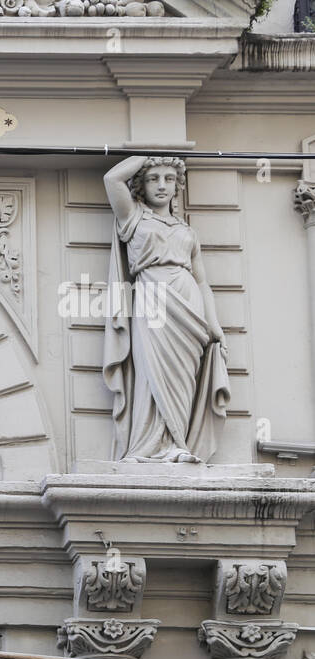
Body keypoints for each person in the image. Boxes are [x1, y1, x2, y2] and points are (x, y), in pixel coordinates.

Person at [102, 155, 230, 463]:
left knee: (183, 378)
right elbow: (112, 179)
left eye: (169, 179)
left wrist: (214, 325)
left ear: (178, 186)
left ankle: (177, 444)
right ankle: (148, 446)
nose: (162, 185)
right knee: (151, 372)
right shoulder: (132, 217)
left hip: (189, 305)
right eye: (153, 178)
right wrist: (151, 151)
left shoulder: (187, 231)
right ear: (141, 185)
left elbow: (202, 283)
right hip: (153, 298)